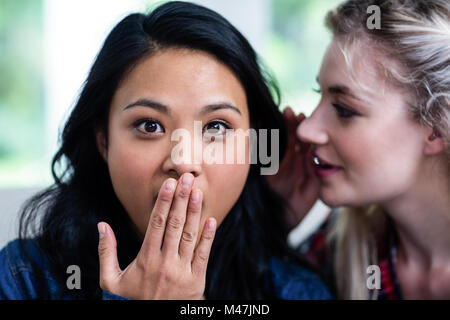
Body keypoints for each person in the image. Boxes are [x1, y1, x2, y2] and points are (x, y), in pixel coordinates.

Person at [0, 1, 332, 300]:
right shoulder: (23, 277)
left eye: (216, 127)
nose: (184, 162)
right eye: (149, 126)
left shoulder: (296, 291)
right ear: (104, 142)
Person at [269, 0, 450, 300]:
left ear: (435, 128)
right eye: (320, 95)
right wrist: (270, 224)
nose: (306, 129)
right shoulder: (334, 252)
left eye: (344, 109)